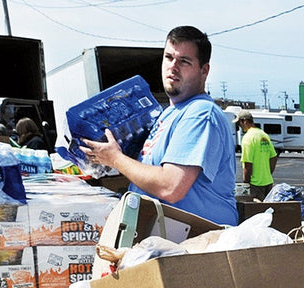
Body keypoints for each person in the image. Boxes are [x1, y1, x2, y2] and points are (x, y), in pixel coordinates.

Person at [80, 26, 237, 226]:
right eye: (168, 58)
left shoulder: (200, 113)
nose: (173, 66)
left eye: (184, 61)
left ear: (204, 70)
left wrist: (116, 159)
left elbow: (171, 187)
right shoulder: (169, 114)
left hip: (195, 246)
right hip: (165, 242)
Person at [237, 109, 277, 200]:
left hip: (255, 184)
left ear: (244, 121)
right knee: (267, 210)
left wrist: (246, 184)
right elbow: (273, 157)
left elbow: (247, 164)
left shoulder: (248, 138)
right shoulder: (264, 135)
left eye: (239, 124)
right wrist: (268, 173)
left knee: (256, 211)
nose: (239, 127)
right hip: (268, 182)